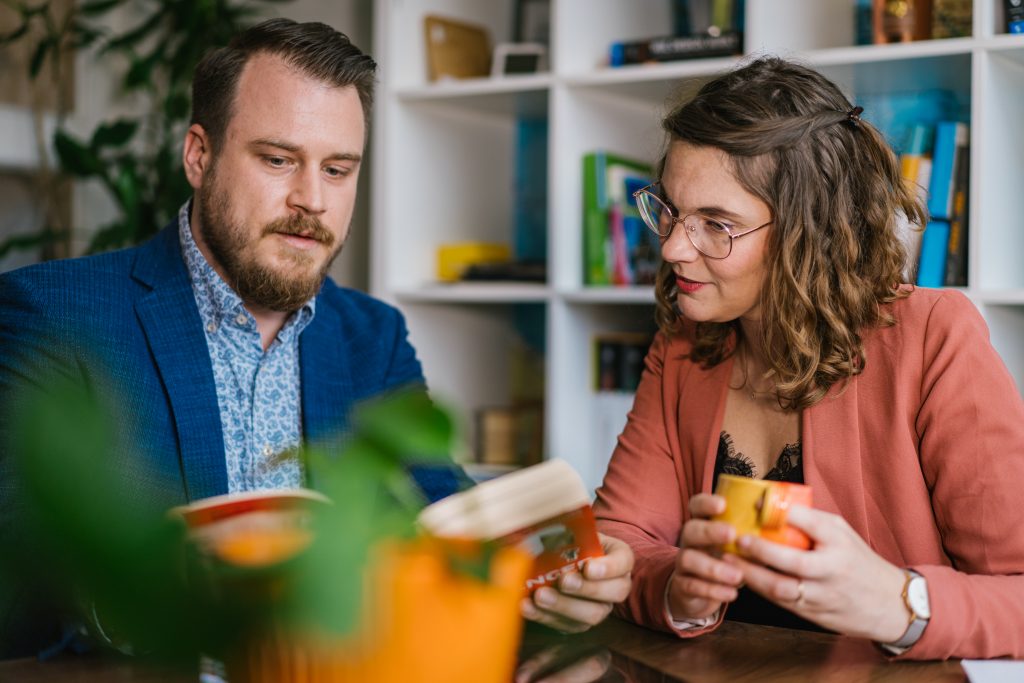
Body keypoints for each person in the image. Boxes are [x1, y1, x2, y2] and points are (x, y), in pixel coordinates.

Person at [0, 18, 632, 658]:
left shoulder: (374, 337)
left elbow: (450, 525)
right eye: (278, 160)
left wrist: (555, 587)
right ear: (199, 155)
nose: (313, 200)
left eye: (338, 169)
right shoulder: (54, 313)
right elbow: (14, 583)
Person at [592, 56, 1024, 661]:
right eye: (669, 210)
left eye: (716, 224)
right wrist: (674, 589)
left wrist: (900, 602)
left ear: (808, 230)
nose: (672, 248)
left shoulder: (933, 338)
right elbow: (623, 537)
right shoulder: (687, 348)